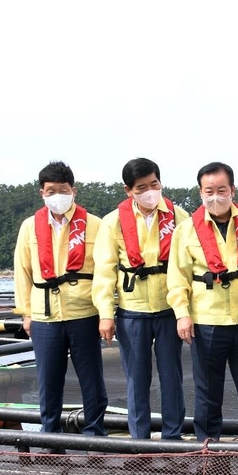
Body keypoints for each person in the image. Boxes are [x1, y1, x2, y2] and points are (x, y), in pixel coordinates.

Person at [167, 161, 238, 442]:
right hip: (207, 323)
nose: (215, 196)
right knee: (208, 394)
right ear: (200, 192)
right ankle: (208, 454)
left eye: (221, 189)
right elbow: (177, 277)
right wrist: (182, 314)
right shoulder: (186, 230)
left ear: (233, 190)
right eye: (208, 190)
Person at [93, 158, 189, 440]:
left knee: (172, 378)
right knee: (137, 380)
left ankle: (173, 438)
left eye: (154, 184)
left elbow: (189, 265)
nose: (149, 191)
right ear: (128, 190)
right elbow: (104, 271)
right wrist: (105, 314)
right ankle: (139, 442)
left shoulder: (179, 216)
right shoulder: (112, 223)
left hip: (169, 309)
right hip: (132, 311)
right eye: (141, 187)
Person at [13, 161, 108, 446]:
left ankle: (96, 438)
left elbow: (105, 271)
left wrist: (106, 313)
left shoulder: (95, 224)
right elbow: (23, 272)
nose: (57, 196)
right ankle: (50, 441)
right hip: (44, 316)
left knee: (92, 380)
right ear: (42, 193)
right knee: (49, 382)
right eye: (51, 191)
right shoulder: (30, 226)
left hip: (84, 312)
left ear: (73, 191)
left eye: (63, 190)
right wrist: (26, 313)